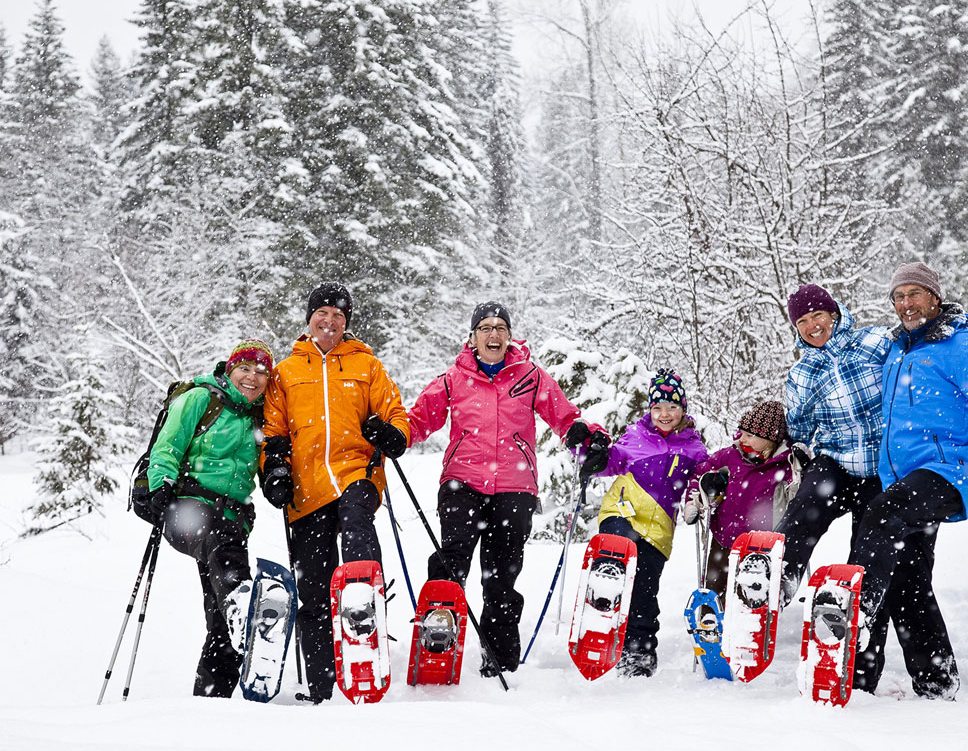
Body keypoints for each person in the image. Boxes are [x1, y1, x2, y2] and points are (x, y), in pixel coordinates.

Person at [847, 262, 968, 700]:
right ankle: (934, 681)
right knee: (907, 579)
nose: (906, 303)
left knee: (880, 515)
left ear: (934, 296)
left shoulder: (961, 346)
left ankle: (855, 616)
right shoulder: (898, 350)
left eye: (914, 293)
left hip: (947, 471)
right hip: (905, 477)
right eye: (898, 297)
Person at [405, 301, 609, 677]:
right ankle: (437, 636)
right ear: (472, 337)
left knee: (501, 575)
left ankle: (499, 659)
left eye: (500, 327)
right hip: (461, 483)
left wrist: (587, 437)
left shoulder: (530, 376)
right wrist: (395, 434)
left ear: (509, 336)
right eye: (485, 327)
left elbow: (566, 416)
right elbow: (419, 419)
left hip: (515, 487)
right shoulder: (454, 378)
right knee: (452, 559)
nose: (493, 334)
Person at [260, 283, 410, 704]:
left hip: (354, 472)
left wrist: (392, 433)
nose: (329, 322)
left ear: (347, 323)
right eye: (322, 314)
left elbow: (396, 412)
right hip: (306, 490)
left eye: (338, 316)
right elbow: (273, 432)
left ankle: (363, 593)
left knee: (358, 523)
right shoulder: (286, 372)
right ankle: (322, 687)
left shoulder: (367, 365)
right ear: (309, 319)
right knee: (314, 589)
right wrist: (274, 470)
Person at [773, 283, 909, 694]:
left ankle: (860, 653)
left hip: (881, 469)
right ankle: (781, 575)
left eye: (818, 316)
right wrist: (795, 450)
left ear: (833, 312)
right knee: (807, 505)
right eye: (803, 322)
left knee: (868, 554)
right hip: (836, 462)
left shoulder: (875, 341)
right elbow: (798, 428)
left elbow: (918, 358)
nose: (813, 327)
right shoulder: (802, 373)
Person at [147, 339, 273, 698]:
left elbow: (268, 465)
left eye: (262, 372)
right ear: (229, 369)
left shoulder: (261, 417)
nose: (252, 377)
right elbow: (169, 444)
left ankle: (211, 698)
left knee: (220, 621)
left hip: (232, 517)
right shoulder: (202, 398)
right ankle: (242, 604)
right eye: (245, 368)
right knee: (224, 552)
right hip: (186, 505)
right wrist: (161, 483)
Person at [587, 369, 708, 676]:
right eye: (657, 408)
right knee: (618, 551)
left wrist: (701, 496)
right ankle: (601, 611)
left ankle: (638, 651)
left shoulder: (693, 449)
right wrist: (590, 453)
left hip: (658, 529)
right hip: (622, 511)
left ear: (683, 409)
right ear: (650, 409)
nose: (664, 414)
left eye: (671, 407)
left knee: (644, 588)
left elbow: (699, 483)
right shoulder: (635, 436)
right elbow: (609, 461)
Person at [686, 400, 800, 599]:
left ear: (769, 439)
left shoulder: (784, 464)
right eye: (742, 432)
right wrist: (694, 500)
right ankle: (709, 622)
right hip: (724, 538)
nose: (742, 439)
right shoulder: (731, 455)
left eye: (750, 435)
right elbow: (701, 473)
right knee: (714, 590)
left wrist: (800, 469)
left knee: (749, 595)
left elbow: (797, 495)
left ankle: (750, 625)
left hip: (761, 546)